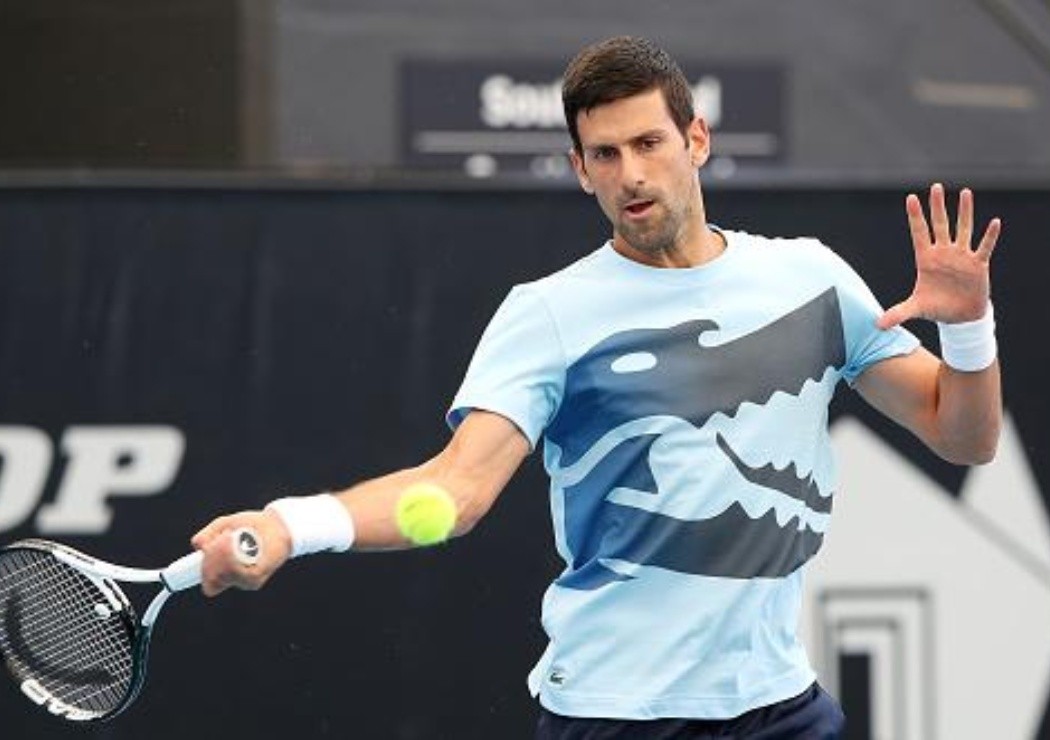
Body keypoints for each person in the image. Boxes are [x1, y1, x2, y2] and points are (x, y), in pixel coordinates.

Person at [192, 36, 1002, 739]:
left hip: (778, 705)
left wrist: (968, 329)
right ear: (581, 170)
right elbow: (455, 489)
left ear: (697, 139)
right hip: (618, 714)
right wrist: (292, 525)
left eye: (650, 143)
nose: (632, 175)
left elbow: (964, 437)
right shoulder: (548, 314)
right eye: (605, 155)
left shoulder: (811, 279)